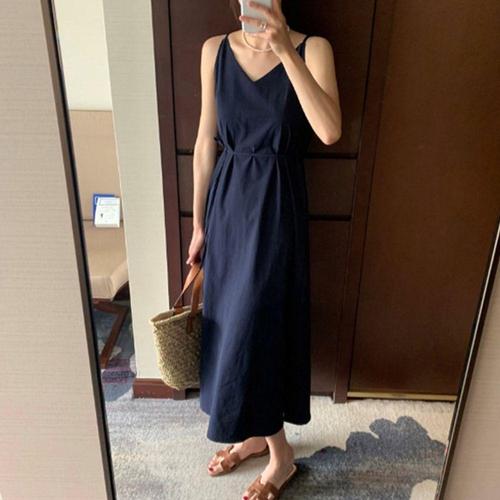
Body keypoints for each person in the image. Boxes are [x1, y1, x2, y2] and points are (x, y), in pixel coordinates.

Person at [186, 0, 341, 497]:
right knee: (230, 323)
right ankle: (255, 435)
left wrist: (284, 51)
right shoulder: (214, 50)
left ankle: (281, 455)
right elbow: (205, 141)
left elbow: (329, 130)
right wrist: (199, 224)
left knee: (258, 324)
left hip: (276, 206)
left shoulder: (313, 49)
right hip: (227, 203)